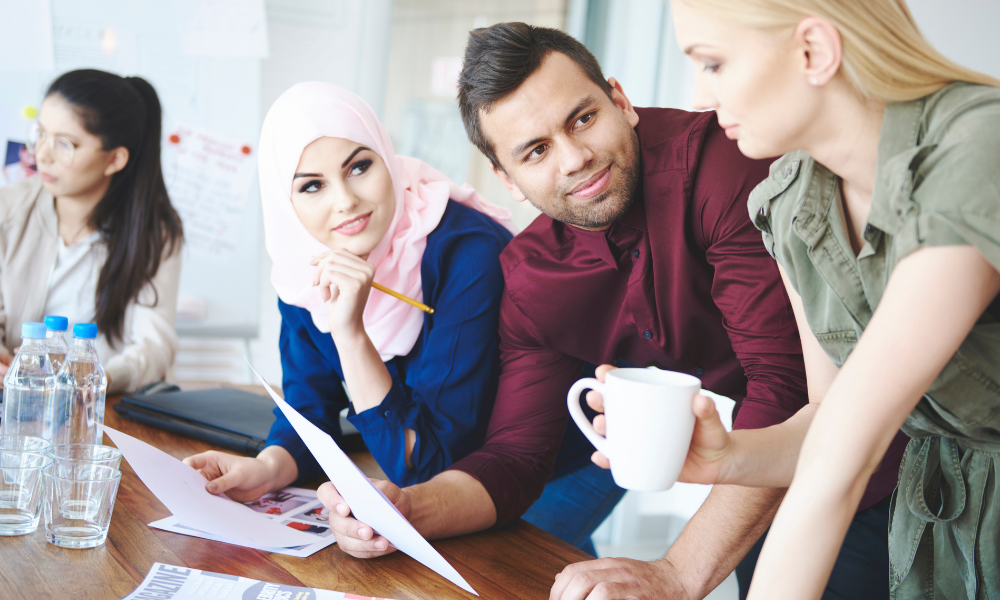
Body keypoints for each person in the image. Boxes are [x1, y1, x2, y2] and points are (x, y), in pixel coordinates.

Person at [316, 22, 907, 597]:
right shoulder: (531, 277)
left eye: (583, 118)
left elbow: (786, 387)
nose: (574, 158)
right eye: (536, 150)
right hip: (775, 472)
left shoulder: (726, 167)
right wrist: (407, 507)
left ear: (619, 99)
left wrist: (677, 572)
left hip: (906, 461)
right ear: (507, 178)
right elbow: (516, 455)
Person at [628, 1, 999, 598]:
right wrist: (730, 457)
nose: (699, 95)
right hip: (948, 537)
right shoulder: (793, 200)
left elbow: (844, 458)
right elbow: (827, 419)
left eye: (714, 63)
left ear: (814, 51)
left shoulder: (979, 149)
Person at [184, 83, 515, 501]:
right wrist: (267, 467)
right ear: (286, 204)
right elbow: (310, 407)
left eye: (359, 167)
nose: (345, 201)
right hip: (451, 476)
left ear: (386, 157)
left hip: (543, 464)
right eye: (311, 186)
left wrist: (350, 333)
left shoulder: (468, 256)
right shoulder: (305, 265)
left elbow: (426, 464)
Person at [0, 69, 183, 394]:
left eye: (64, 144)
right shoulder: (8, 208)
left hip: (99, 409)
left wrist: (95, 380)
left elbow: (154, 346)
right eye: (40, 134)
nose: (41, 154)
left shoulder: (155, 232)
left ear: (114, 159)